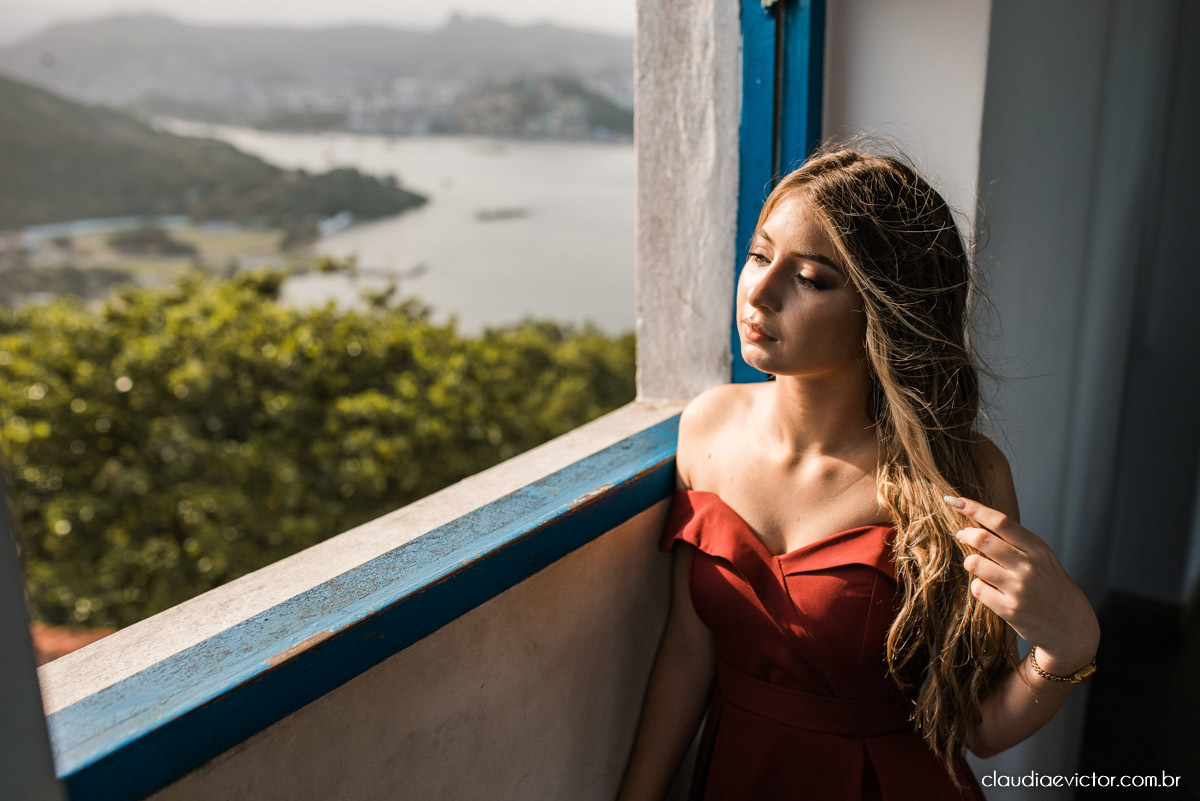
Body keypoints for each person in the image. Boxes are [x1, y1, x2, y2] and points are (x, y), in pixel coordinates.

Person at [615, 147, 1101, 800]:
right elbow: (687, 646)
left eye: (811, 278)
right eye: (760, 255)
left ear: (883, 305)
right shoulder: (707, 427)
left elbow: (979, 727)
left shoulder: (959, 474)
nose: (758, 290)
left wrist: (1067, 652)